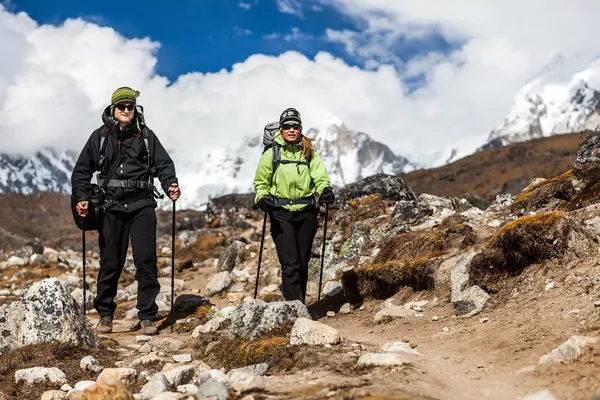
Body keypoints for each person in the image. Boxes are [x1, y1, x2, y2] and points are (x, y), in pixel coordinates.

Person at [71, 87, 180, 335]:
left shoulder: (146, 137)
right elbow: (81, 171)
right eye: (121, 107)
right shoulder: (99, 137)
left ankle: (147, 316)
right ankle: (106, 315)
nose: (126, 110)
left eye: (130, 107)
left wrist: (170, 184)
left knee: (146, 261)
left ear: (135, 110)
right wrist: (81, 197)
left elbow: (164, 165)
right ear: (113, 110)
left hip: (142, 205)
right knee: (110, 262)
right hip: (111, 207)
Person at [253, 108, 335, 303]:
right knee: (290, 263)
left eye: (295, 126)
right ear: (281, 129)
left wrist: (325, 190)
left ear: (300, 129)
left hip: (307, 212)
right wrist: (262, 198)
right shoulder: (270, 154)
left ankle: (301, 305)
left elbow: (320, 176)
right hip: (280, 213)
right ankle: (294, 308)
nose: (291, 129)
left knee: (303, 262)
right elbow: (260, 182)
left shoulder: (309, 153)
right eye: (287, 126)